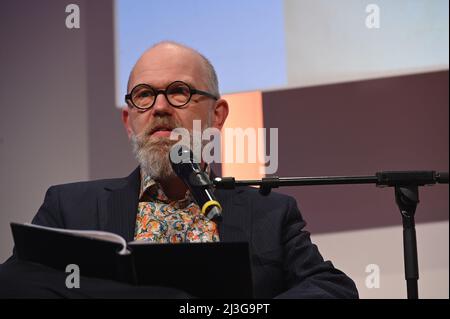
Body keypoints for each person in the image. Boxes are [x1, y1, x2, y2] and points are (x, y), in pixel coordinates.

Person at [0, 41, 358, 298]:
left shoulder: (270, 213)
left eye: (179, 91)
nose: (159, 107)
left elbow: (333, 288)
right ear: (129, 120)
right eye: (143, 94)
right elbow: (14, 282)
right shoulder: (69, 206)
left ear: (217, 115)